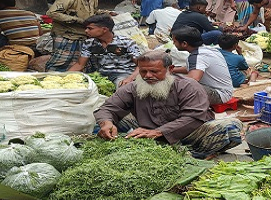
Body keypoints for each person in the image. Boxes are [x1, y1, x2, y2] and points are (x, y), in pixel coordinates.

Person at [94, 50, 242, 159]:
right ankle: (178, 152)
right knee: (103, 124)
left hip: (190, 134)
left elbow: (194, 117)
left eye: (154, 71)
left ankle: (196, 154)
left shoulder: (188, 86)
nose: (147, 76)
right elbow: (108, 108)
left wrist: (159, 132)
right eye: (143, 71)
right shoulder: (133, 87)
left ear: (170, 69)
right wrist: (106, 123)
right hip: (149, 133)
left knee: (231, 127)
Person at [46, 0, 115, 71]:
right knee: (60, 63)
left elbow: (93, 11)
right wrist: (78, 20)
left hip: (83, 34)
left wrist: (107, 13)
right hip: (67, 35)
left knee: (81, 63)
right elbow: (52, 13)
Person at [68, 14, 141, 86]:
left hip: (123, 75)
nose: (86, 31)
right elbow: (80, 65)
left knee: (122, 88)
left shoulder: (126, 42)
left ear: (104, 29)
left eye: (90, 28)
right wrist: (62, 76)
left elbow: (141, 65)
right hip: (101, 76)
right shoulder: (89, 43)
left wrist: (130, 78)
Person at [172, 26, 234, 104]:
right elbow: (193, 69)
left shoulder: (198, 56)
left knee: (179, 87)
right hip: (226, 91)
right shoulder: (207, 49)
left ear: (184, 44)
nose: (173, 44)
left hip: (219, 95)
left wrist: (170, 81)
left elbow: (193, 79)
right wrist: (173, 70)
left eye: (174, 41)